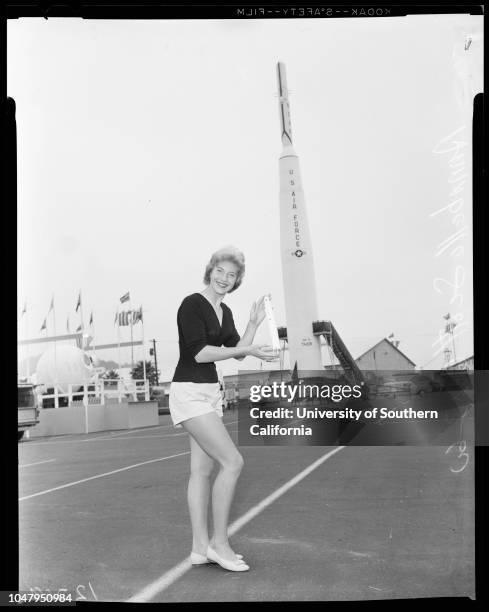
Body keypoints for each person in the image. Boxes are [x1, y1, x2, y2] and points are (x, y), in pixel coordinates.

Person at [169, 246, 278, 572]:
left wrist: (253, 325)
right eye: (220, 271)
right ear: (210, 270)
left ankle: (199, 548)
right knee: (232, 462)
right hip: (189, 392)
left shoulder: (225, 311)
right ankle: (219, 543)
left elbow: (237, 352)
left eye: (232, 276)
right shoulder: (192, 304)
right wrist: (245, 348)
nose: (224, 279)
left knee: (202, 471)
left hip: (210, 393)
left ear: (236, 281)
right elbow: (200, 354)